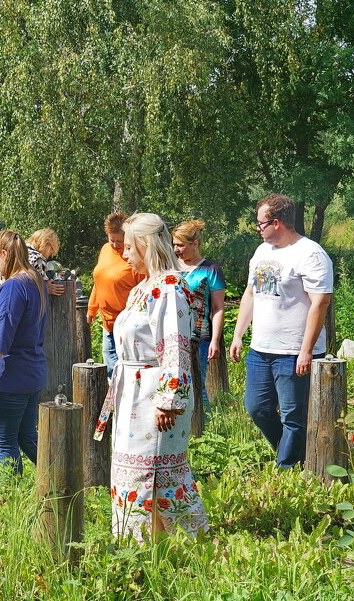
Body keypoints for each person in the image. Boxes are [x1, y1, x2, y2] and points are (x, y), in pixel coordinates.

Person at [95, 212, 207, 541]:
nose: (125, 253)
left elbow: (175, 346)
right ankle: (141, 548)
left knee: (158, 473)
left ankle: (186, 547)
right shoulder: (142, 287)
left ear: (145, 245)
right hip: (132, 392)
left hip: (155, 397)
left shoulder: (169, 287)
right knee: (134, 472)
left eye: (129, 247)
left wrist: (168, 401)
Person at [229, 194, 333, 469]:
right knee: (258, 408)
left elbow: (320, 303)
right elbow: (251, 293)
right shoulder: (262, 252)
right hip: (261, 350)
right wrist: (239, 334)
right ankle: (289, 451)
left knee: (293, 415)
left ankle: (287, 468)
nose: (257, 228)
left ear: (276, 222)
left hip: (293, 352)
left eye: (260, 223)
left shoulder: (311, 254)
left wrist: (306, 350)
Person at [0, 229, 47, 472]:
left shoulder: (14, 287)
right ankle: (60, 480)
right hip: (31, 372)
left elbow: (2, 335)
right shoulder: (36, 281)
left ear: (4, 254)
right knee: (28, 437)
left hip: (7, 377)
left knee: (4, 444)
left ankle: (6, 497)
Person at [172, 219, 226, 408]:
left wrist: (215, 340)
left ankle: (204, 430)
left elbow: (219, 308)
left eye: (180, 245)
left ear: (194, 244)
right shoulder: (169, 266)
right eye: (174, 245)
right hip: (170, 335)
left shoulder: (210, 269)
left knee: (196, 383)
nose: (176, 249)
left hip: (199, 337)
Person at [87, 212, 144, 374]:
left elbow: (143, 291)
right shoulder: (105, 250)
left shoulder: (134, 256)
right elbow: (99, 281)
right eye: (111, 240)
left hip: (127, 325)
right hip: (107, 323)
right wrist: (92, 309)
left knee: (127, 369)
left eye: (119, 241)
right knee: (111, 369)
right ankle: (114, 399)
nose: (115, 245)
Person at [19, 228, 66, 297]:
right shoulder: (38, 259)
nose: (48, 256)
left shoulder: (18, 252)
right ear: (46, 243)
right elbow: (32, 289)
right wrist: (45, 288)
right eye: (51, 251)